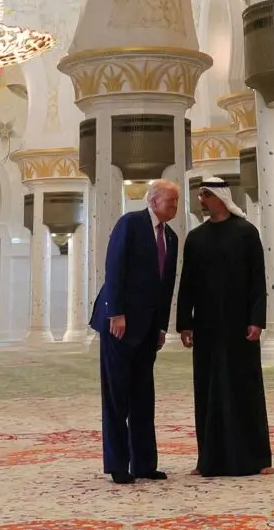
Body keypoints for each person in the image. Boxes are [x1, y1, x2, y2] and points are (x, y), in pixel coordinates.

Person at [176, 177, 274, 478]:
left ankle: (257, 458)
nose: (202, 201)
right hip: (207, 326)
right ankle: (209, 460)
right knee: (208, 389)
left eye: (206, 195)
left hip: (240, 326)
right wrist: (185, 324)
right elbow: (187, 284)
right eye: (200, 196)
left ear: (220, 197)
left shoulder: (246, 232)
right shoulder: (196, 238)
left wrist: (257, 320)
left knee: (245, 387)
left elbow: (258, 280)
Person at [89, 179, 180, 485]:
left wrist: (162, 326)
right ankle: (118, 464)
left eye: (176, 202)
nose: (175, 207)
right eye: (170, 201)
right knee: (117, 397)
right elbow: (114, 267)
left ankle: (144, 463)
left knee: (143, 396)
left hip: (148, 329)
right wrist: (116, 313)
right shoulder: (131, 223)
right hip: (119, 324)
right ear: (153, 201)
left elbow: (166, 286)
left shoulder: (171, 236)